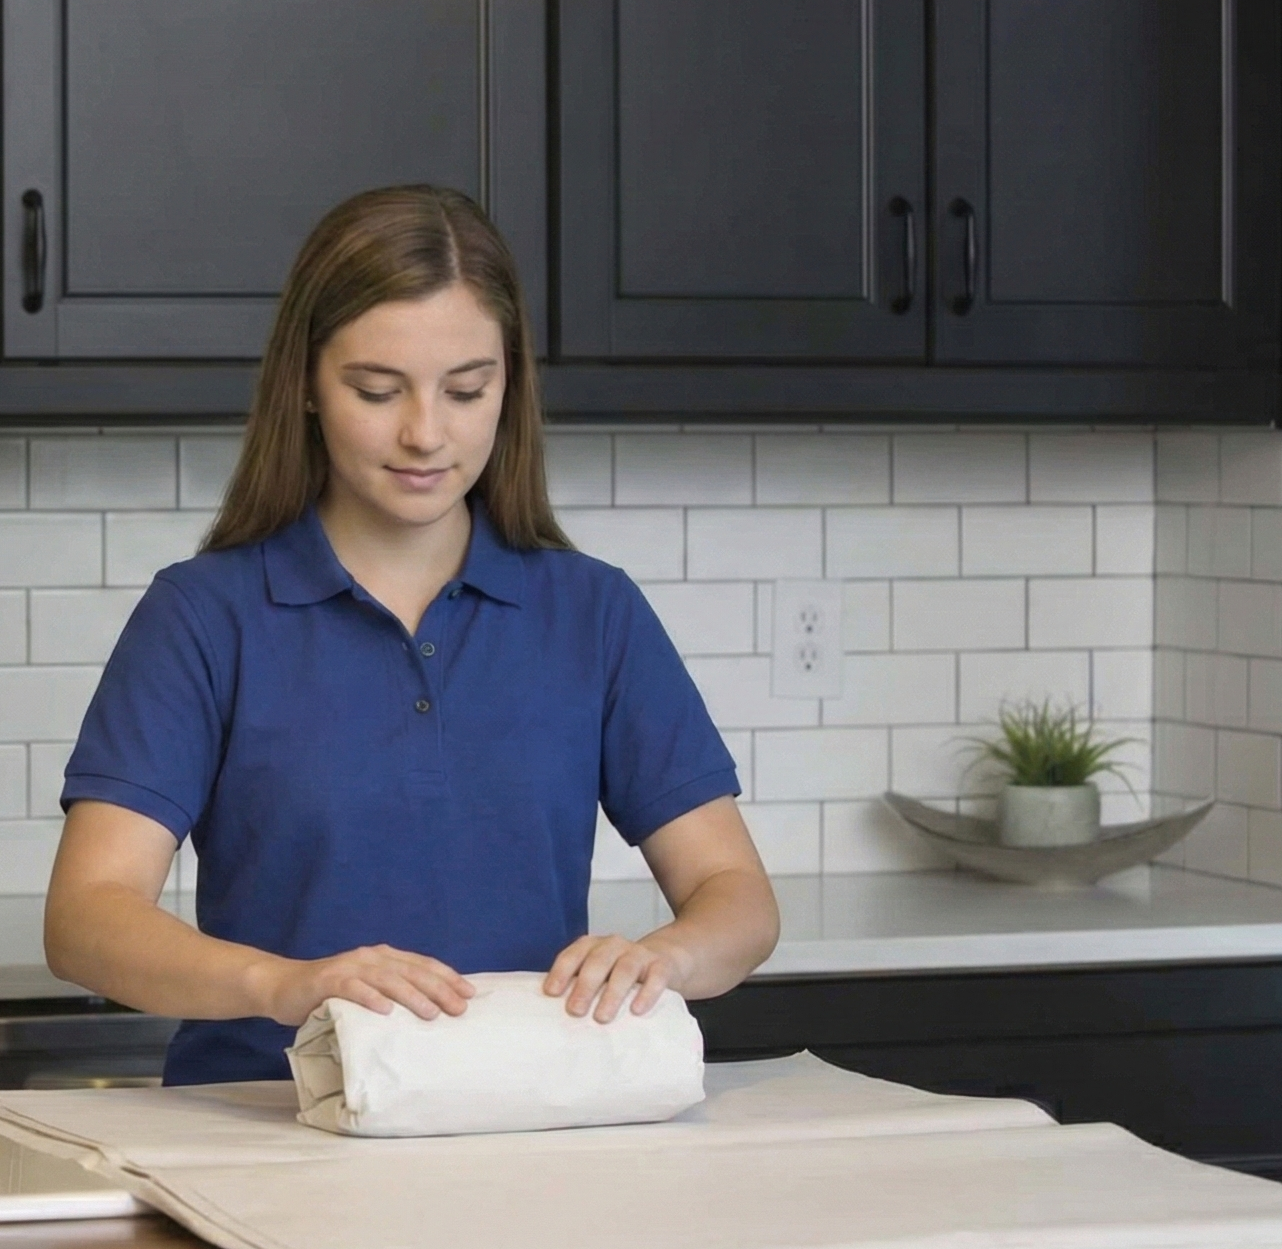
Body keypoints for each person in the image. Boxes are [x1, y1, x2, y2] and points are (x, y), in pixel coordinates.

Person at [43, 184, 779, 1086]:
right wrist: (287, 986)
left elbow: (737, 899)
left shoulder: (593, 613)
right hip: (265, 1124)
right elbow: (86, 919)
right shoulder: (205, 615)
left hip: (522, 1116)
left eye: (467, 389)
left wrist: (668, 961)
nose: (426, 433)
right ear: (306, 386)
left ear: (509, 384)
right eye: (376, 390)